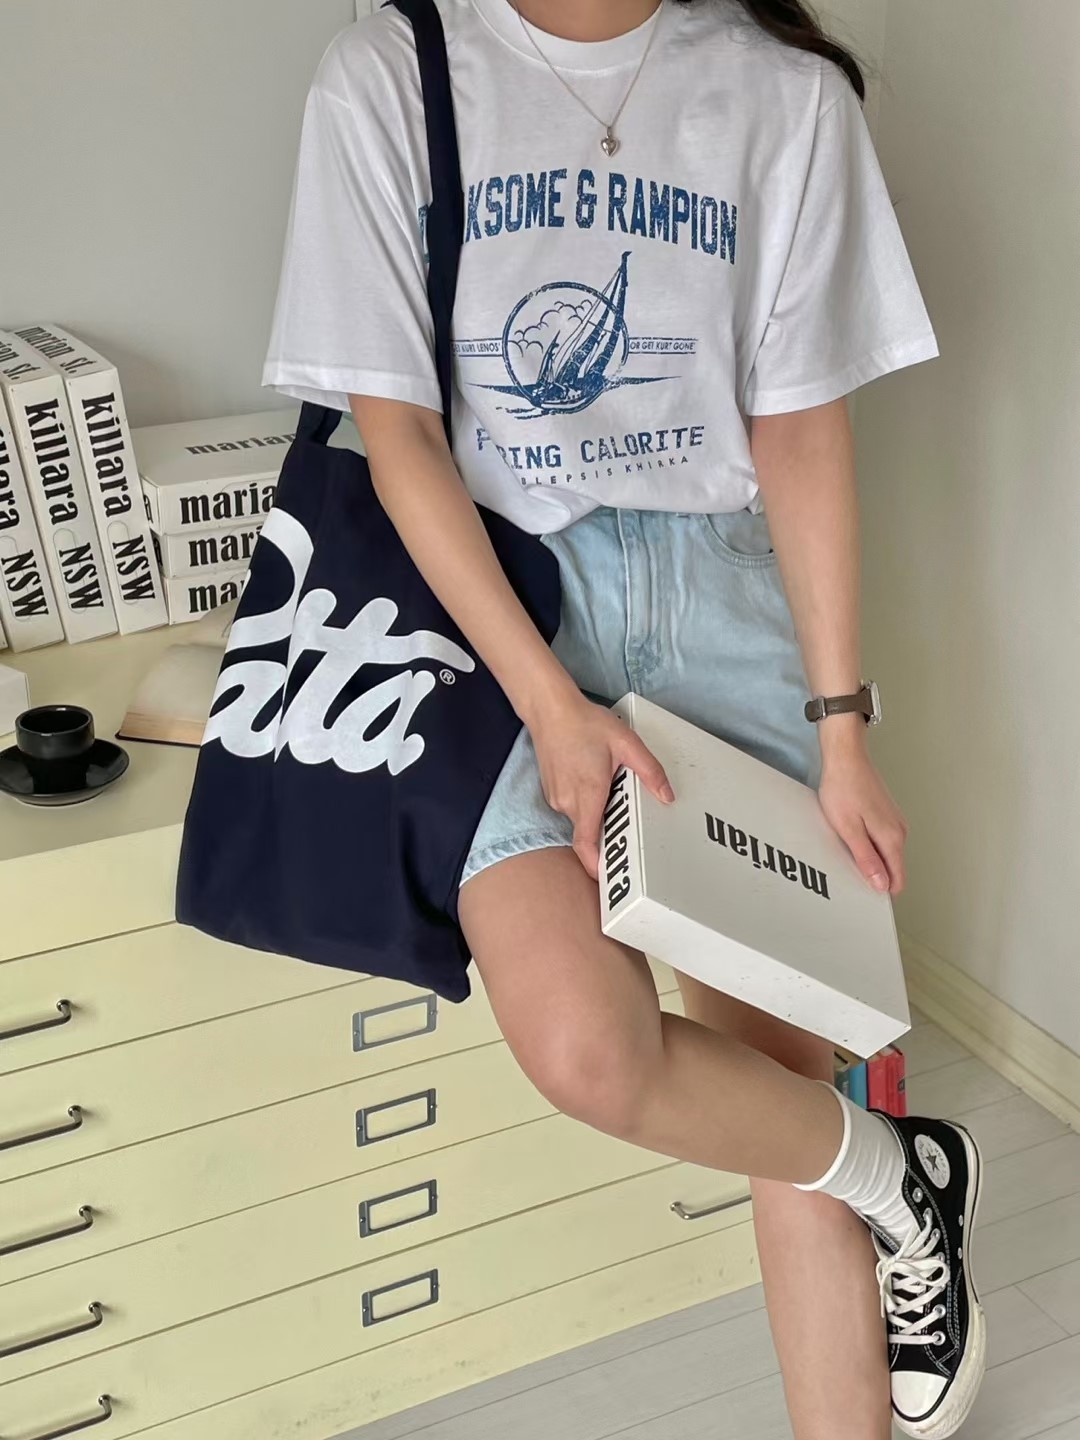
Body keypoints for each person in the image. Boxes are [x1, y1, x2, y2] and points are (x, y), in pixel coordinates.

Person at [264, 2, 985, 1435]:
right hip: (510, 610)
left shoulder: (780, 92)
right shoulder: (391, 72)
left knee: (783, 1086)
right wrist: (551, 700)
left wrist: (842, 725)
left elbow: (799, 424)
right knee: (588, 1047)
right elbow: (397, 430)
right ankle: (898, 1177)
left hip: (726, 592)